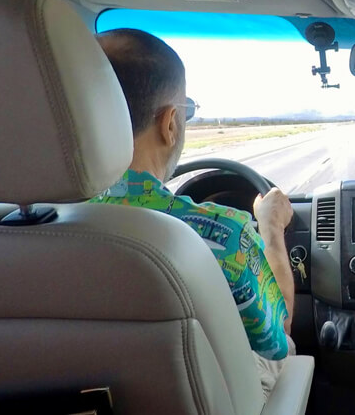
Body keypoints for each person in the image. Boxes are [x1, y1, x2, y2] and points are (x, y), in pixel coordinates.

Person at [90, 28, 295, 399]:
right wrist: (271, 229)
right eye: (186, 112)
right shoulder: (221, 236)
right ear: (169, 124)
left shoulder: (6, 228)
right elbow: (277, 334)